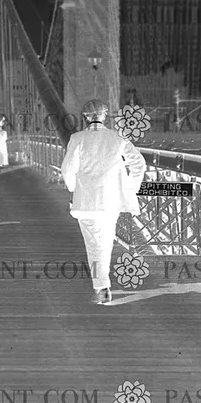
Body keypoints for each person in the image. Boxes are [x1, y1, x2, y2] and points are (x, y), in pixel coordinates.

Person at [61, 99, 147, 306]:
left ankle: (102, 288)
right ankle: (103, 286)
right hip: (111, 202)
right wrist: (129, 188)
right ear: (105, 115)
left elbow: (67, 169)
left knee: (93, 245)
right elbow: (139, 164)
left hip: (86, 202)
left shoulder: (77, 138)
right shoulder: (118, 138)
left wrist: (73, 188)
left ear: (85, 117)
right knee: (106, 243)